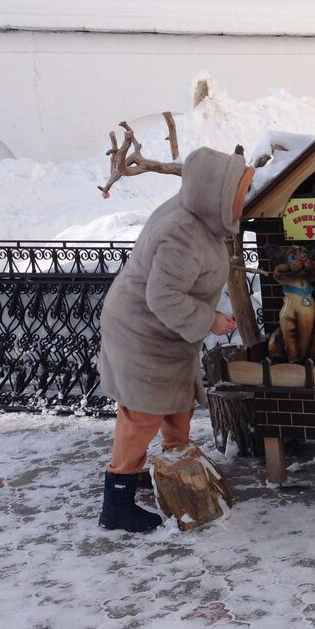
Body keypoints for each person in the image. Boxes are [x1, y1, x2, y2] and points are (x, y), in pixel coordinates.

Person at [96, 147, 255, 532]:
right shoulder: (182, 233)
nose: (245, 198)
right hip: (141, 334)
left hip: (165, 335)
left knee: (179, 402)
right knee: (143, 412)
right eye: (240, 190)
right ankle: (116, 501)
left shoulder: (199, 216)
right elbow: (162, 297)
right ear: (217, 194)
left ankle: (175, 471)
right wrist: (210, 319)